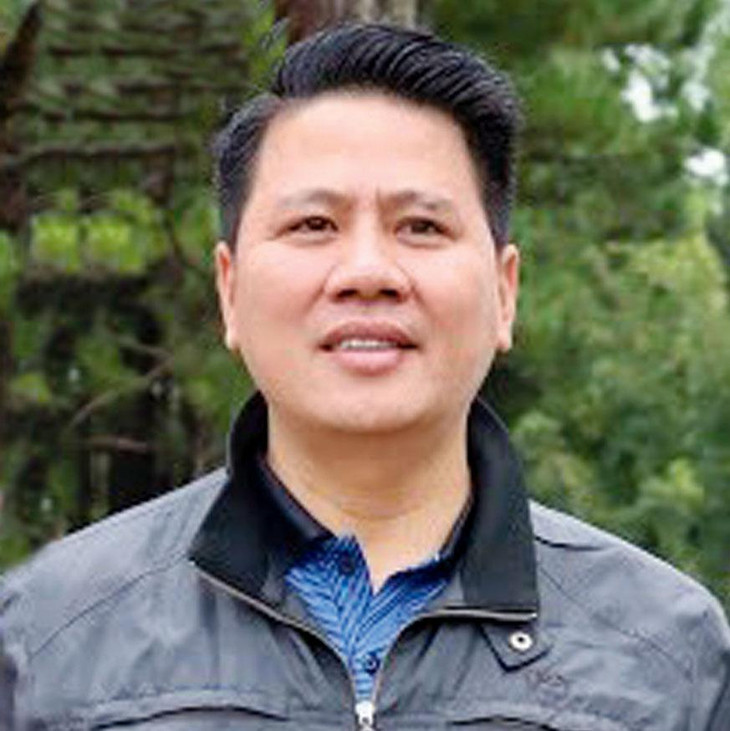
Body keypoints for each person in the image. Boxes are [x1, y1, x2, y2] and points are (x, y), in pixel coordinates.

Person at [1, 22, 729, 731]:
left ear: (504, 293)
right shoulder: (46, 638)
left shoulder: (670, 656)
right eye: (313, 225)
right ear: (230, 290)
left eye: (422, 226)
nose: (368, 272)